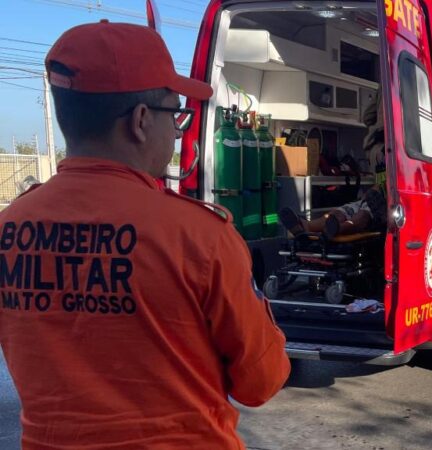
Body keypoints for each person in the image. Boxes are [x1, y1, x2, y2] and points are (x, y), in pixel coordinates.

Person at [0, 21, 289, 449]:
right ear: (139, 120)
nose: (176, 131)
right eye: (174, 114)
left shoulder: (9, 229)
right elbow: (260, 383)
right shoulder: (199, 236)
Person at [279, 90, 386, 239]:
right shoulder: (396, 153)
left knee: (362, 215)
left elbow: (368, 116)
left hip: (382, 201)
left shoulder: (385, 88)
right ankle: (307, 226)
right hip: (380, 197)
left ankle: (335, 229)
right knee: (342, 211)